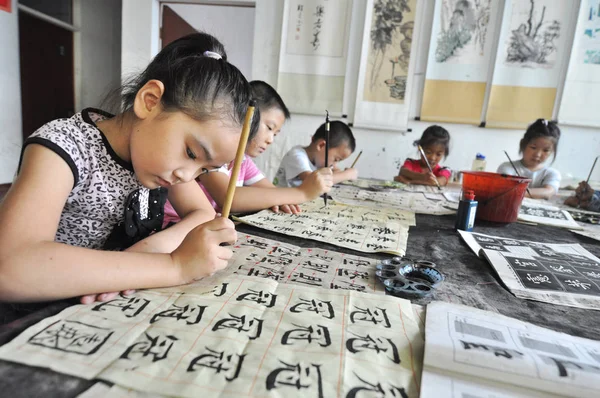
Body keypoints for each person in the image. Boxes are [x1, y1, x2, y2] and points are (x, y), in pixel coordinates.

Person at [0, 33, 256, 303]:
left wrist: (145, 253)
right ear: (150, 101)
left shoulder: (161, 162)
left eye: (204, 170)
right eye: (191, 153)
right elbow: (11, 265)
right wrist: (174, 266)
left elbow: (203, 213)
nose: (187, 175)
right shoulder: (64, 147)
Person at [162, 81, 332, 223]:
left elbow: (270, 191)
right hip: (175, 226)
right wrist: (300, 193)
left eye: (275, 134)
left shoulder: (243, 160)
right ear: (246, 115)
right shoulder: (215, 155)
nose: (270, 140)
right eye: (269, 128)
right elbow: (230, 198)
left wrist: (282, 199)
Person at [274, 120, 357, 187]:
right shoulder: (296, 156)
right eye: (336, 159)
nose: (334, 164)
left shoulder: (318, 159)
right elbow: (314, 182)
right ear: (321, 145)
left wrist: (339, 172)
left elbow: (334, 170)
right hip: (280, 202)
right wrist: (347, 175)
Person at [497, 118, 561, 199]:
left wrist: (516, 192)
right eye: (533, 147)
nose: (538, 154)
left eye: (546, 150)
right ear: (523, 144)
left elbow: (548, 192)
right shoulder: (507, 167)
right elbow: (504, 189)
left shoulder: (551, 173)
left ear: (552, 151)